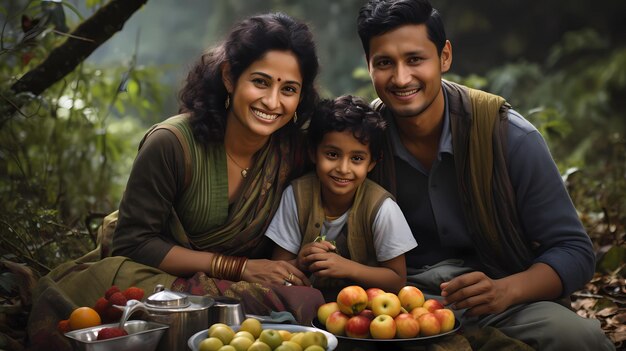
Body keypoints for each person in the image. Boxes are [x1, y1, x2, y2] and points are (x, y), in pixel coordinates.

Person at [27, 12, 325, 350]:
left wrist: (305, 255)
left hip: (239, 283)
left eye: (289, 89)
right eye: (260, 82)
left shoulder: (293, 154)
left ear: (301, 97)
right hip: (158, 278)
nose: (272, 102)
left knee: (307, 298)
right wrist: (238, 268)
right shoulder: (172, 143)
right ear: (230, 77)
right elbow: (134, 243)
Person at [356, 0, 615, 350]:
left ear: (444, 56)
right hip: (395, 304)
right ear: (369, 66)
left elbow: (574, 250)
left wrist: (505, 290)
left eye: (415, 59)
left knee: (580, 338)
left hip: (500, 300)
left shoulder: (507, 135)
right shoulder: (360, 140)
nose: (401, 78)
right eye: (385, 63)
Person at [265, 95, 417, 300]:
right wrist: (301, 262)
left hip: (365, 309)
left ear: (372, 163)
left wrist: (348, 268)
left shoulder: (382, 207)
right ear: (313, 152)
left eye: (357, 158)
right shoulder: (297, 195)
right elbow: (277, 271)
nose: (343, 169)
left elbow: (397, 280)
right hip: (305, 305)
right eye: (332, 155)